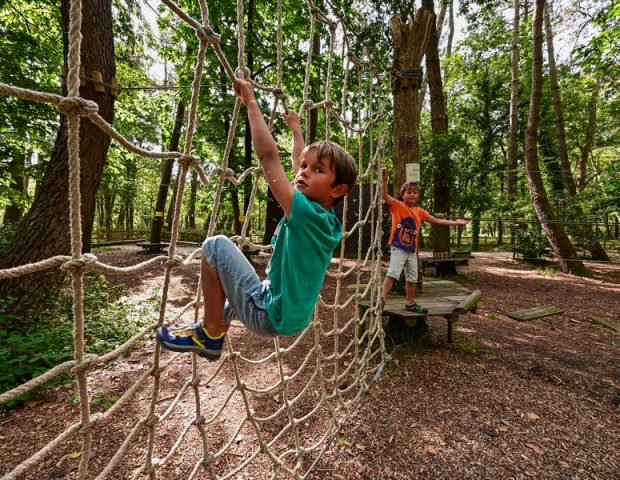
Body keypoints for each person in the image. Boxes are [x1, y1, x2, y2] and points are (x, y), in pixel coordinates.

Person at [156, 78, 358, 360]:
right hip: (290, 314)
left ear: (337, 189)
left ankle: (210, 334)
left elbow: (268, 157)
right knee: (232, 294)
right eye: (304, 167)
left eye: (318, 170)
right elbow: (295, 164)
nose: (303, 172)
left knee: (215, 247)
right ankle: (218, 323)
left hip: (268, 314)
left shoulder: (305, 214)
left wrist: (251, 103)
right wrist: (296, 130)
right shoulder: (326, 220)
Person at [380, 166, 469, 313]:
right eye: (409, 192)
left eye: (415, 193)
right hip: (398, 247)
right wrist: (384, 180)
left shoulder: (420, 212)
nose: (412, 195)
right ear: (402, 195)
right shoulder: (398, 205)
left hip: (412, 250)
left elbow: (438, 221)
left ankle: (410, 303)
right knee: (393, 273)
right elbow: (384, 196)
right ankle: (381, 299)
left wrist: (456, 222)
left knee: (412, 277)